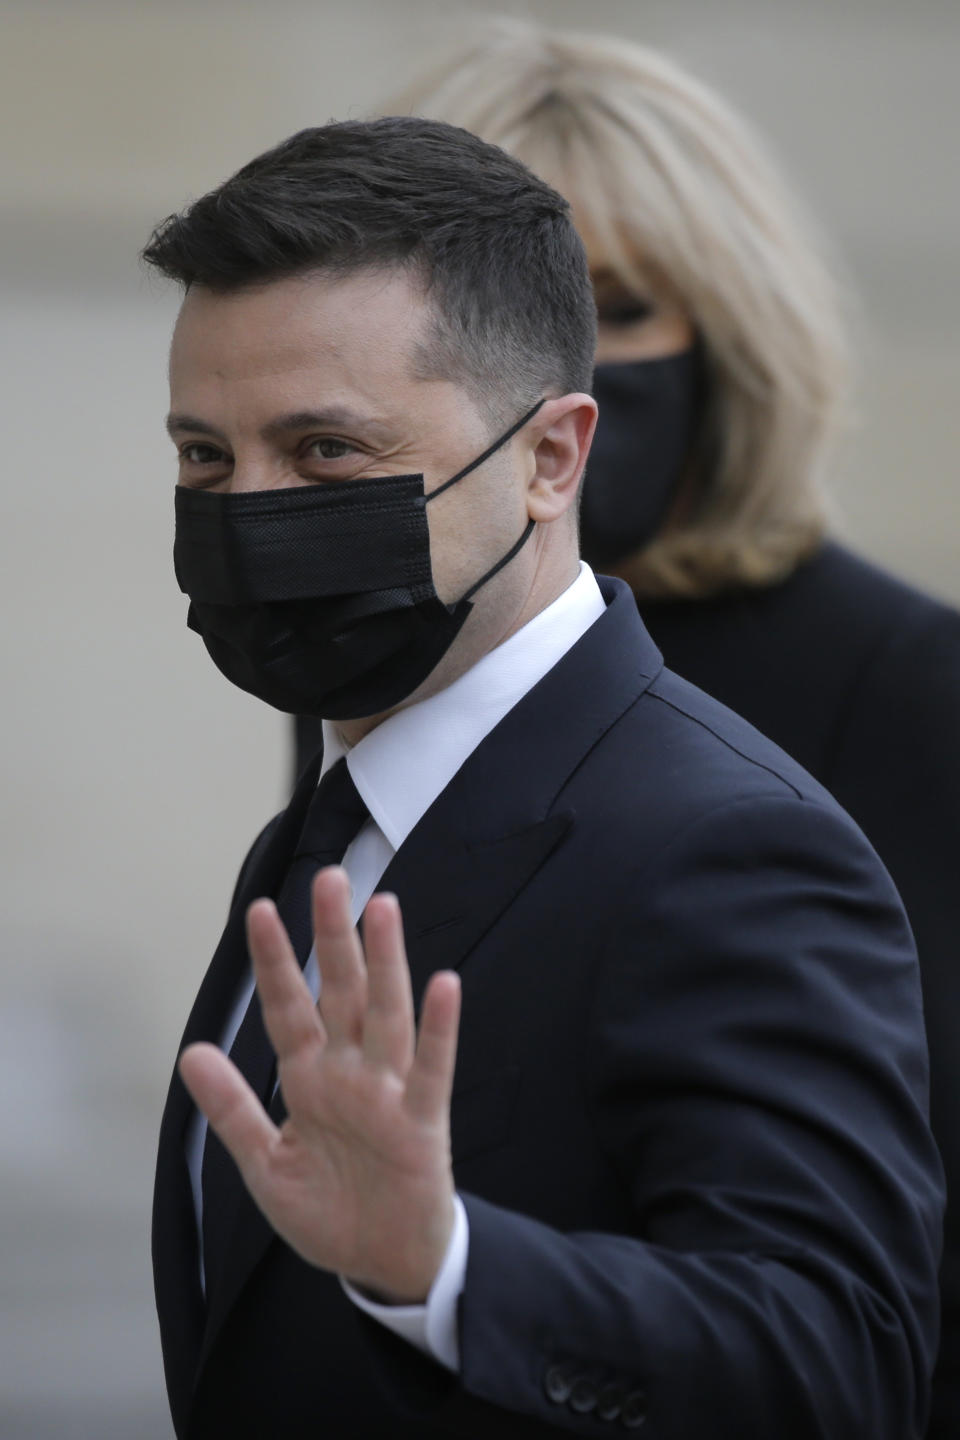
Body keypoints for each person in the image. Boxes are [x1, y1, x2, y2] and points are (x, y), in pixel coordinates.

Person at [146, 116, 942, 1439]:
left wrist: (446, 1269)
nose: (249, 515)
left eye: (329, 451)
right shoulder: (340, 814)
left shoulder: (727, 843)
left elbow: (840, 1365)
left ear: (550, 458)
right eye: (205, 458)